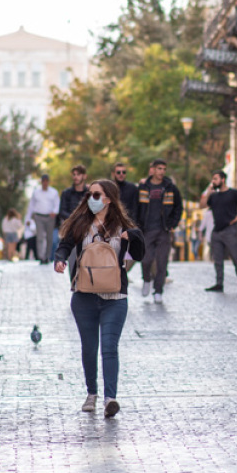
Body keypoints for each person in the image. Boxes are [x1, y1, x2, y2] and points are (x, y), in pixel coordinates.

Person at [54, 179, 145, 418]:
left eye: (96, 194)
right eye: (89, 194)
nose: (90, 198)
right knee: (89, 347)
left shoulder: (122, 225)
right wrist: (60, 259)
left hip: (115, 297)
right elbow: (64, 245)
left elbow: (139, 254)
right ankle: (91, 393)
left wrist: (133, 236)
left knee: (109, 347)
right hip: (84, 296)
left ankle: (110, 399)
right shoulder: (81, 224)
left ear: (108, 198)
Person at [134, 159, 183, 303]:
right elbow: (136, 207)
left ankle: (158, 291)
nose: (162, 171)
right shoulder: (143, 187)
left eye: (164, 169)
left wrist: (173, 223)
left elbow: (178, 207)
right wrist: (137, 225)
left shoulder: (170, 187)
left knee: (162, 262)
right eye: (159, 169)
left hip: (164, 230)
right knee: (146, 260)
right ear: (153, 170)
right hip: (146, 230)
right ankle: (147, 280)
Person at [200, 171, 237, 293]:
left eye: (215, 179)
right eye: (212, 179)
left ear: (223, 180)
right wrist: (208, 190)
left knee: (235, 257)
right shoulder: (213, 196)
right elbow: (202, 205)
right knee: (217, 260)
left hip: (230, 230)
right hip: (216, 231)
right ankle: (219, 284)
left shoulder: (233, 193)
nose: (213, 181)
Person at [28, 173, 60, 264]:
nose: (45, 183)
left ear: (48, 182)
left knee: (49, 237)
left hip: (50, 216)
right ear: (41, 182)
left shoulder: (54, 192)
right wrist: (30, 217)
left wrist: (55, 212)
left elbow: (57, 203)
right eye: (43, 181)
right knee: (40, 237)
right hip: (39, 216)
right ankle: (41, 257)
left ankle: (47, 256)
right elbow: (32, 204)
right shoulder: (36, 192)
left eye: (46, 181)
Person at [58, 165, 89, 229]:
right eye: (74, 174)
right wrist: (74, 219)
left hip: (86, 227)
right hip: (70, 227)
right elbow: (62, 211)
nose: (75, 177)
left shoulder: (89, 193)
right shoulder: (66, 193)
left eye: (78, 174)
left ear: (85, 176)